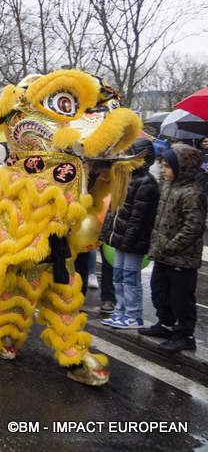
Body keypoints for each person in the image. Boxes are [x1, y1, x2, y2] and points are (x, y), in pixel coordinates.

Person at [141, 144, 206, 353]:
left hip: (181, 258)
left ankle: (184, 334)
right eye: (162, 165)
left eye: (167, 166)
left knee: (181, 298)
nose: (163, 170)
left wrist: (171, 245)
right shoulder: (168, 186)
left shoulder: (192, 192)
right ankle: (165, 323)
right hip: (163, 254)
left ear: (183, 167)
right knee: (160, 291)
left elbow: (193, 226)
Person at [99, 139, 159, 329]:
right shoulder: (125, 179)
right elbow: (112, 211)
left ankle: (134, 314)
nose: (123, 158)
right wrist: (107, 234)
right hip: (120, 240)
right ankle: (120, 311)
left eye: (128, 154)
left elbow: (138, 219)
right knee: (118, 276)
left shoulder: (147, 183)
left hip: (133, 242)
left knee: (130, 278)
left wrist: (127, 240)